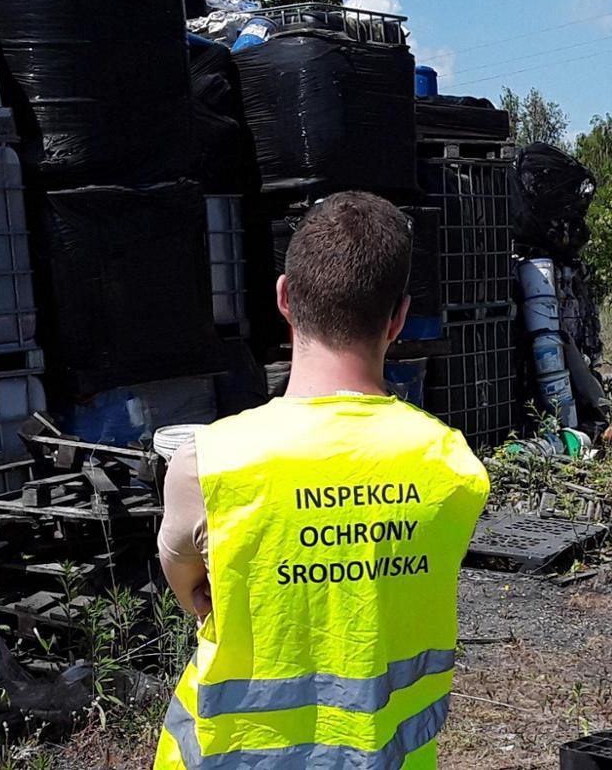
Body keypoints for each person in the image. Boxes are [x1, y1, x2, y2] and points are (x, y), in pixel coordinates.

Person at [154, 192, 491, 770]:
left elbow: (193, 590)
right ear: (399, 316)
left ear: (284, 297)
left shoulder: (207, 464)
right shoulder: (453, 467)